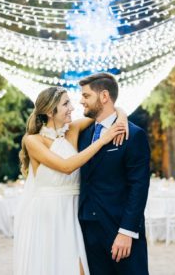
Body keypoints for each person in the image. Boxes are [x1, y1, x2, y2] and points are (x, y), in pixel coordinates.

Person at [13, 86, 128, 275]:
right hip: (47, 214)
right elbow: (66, 167)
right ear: (50, 111)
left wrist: (121, 117)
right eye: (66, 104)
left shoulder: (72, 130)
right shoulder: (33, 141)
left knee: (77, 267)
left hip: (72, 212)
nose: (72, 108)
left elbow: (107, 112)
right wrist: (102, 140)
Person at [78, 72, 151, 275]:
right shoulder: (82, 135)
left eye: (86, 96)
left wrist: (127, 231)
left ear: (104, 96)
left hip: (119, 230)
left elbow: (139, 186)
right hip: (88, 231)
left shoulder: (133, 135)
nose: (80, 101)